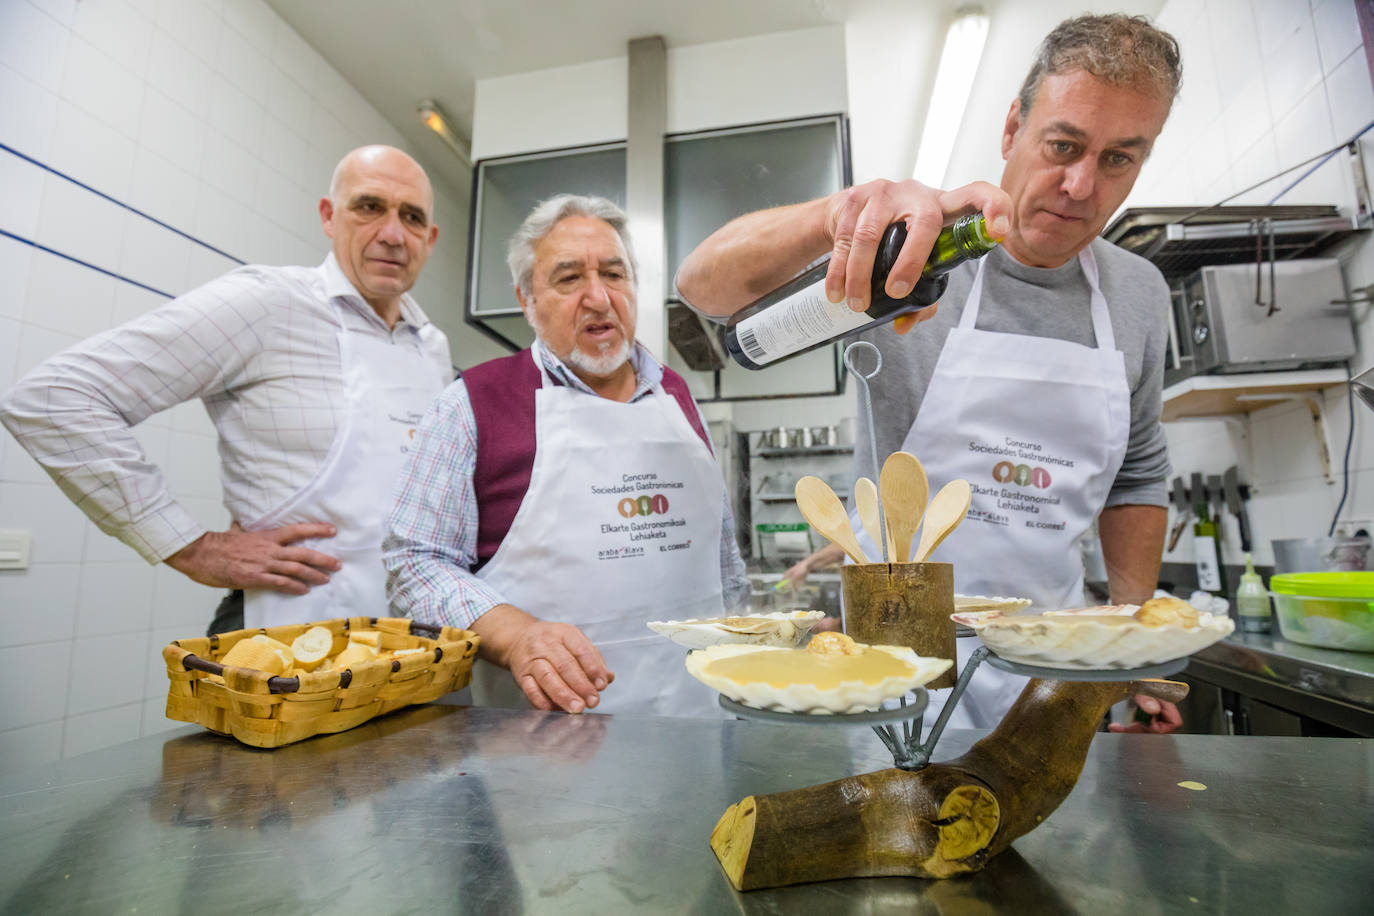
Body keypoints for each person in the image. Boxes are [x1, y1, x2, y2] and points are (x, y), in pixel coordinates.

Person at [676, 14, 1182, 733]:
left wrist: (1134, 641)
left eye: (1118, 160)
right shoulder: (917, 259)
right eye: (1063, 145)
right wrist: (841, 216)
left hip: (1059, 679)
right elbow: (704, 287)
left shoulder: (1138, 294)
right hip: (895, 682)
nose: (1078, 185)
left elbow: (1136, 474)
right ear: (1013, 129)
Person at [0, 145, 452, 634]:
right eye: (369, 207)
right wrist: (189, 545)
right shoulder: (268, 304)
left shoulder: (431, 346)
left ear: (429, 239)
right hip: (285, 629)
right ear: (329, 216)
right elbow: (53, 397)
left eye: (410, 218)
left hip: (413, 638)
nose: (391, 234)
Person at [384, 194, 750, 717]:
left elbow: (720, 559)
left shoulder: (677, 395)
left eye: (614, 274)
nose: (599, 297)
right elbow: (413, 563)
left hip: (706, 719)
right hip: (548, 740)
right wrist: (514, 636)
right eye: (569, 278)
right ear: (527, 298)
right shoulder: (472, 403)